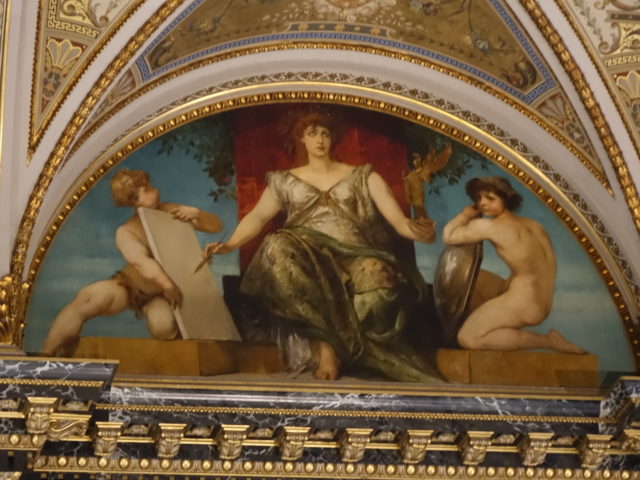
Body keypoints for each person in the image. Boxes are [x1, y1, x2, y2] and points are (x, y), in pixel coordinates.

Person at [204, 112, 443, 383]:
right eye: (313, 133)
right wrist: (229, 245)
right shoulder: (285, 181)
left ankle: (347, 348)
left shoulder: (364, 176)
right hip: (306, 255)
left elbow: (400, 223)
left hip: (356, 255)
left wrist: (422, 232)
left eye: (325, 134)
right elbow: (258, 217)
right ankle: (325, 346)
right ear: (302, 139)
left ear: (333, 139)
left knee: (380, 285)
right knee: (276, 245)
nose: (320, 140)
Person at [41, 169, 223, 356]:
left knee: (162, 326)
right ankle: (46, 355)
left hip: (168, 293)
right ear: (135, 200)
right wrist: (167, 285)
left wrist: (197, 213)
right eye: (149, 189)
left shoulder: (173, 211)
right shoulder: (127, 231)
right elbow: (143, 264)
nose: (156, 190)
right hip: (135, 286)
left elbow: (216, 226)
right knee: (87, 299)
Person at [442, 176, 585, 353]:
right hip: (542, 299)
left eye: (490, 198)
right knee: (476, 277)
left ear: (506, 199)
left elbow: (448, 235)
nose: (482, 203)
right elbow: (542, 266)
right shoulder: (534, 225)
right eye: (478, 198)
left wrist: (465, 214)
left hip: (525, 303)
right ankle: (487, 322)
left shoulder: (489, 226)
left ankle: (549, 341)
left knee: (467, 338)